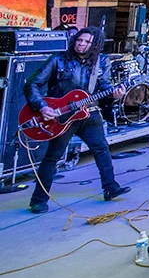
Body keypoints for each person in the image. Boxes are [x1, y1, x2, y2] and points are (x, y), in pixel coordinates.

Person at [24, 27, 130, 213]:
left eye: (87, 42)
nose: (81, 44)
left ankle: (110, 187)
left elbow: (105, 87)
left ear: (95, 45)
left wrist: (114, 95)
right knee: (53, 157)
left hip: (89, 113)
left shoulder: (101, 61)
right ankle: (38, 200)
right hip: (62, 116)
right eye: (79, 40)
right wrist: (42, 106)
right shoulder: (58, 59)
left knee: (102, 149)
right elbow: (32, 83)